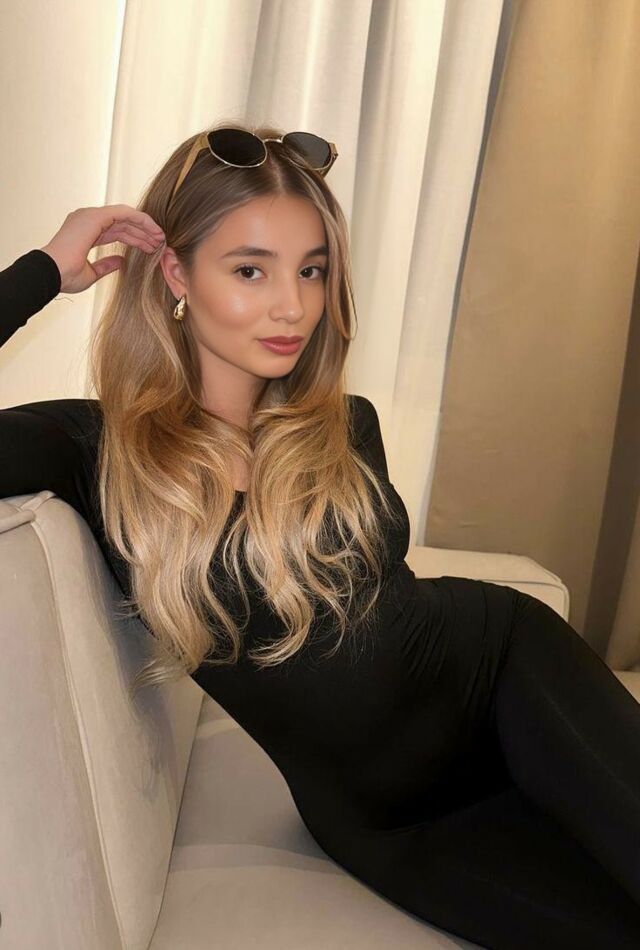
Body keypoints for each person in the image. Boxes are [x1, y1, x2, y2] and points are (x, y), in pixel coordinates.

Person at [2, 123, 640, 950]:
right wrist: (44, 270)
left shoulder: (344, 427)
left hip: (508, 681)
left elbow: (381, 624)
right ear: (175, 273)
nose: (293, 306)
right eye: (250, 270)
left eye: (311, 270)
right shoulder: (95, 451)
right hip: (386, 822)